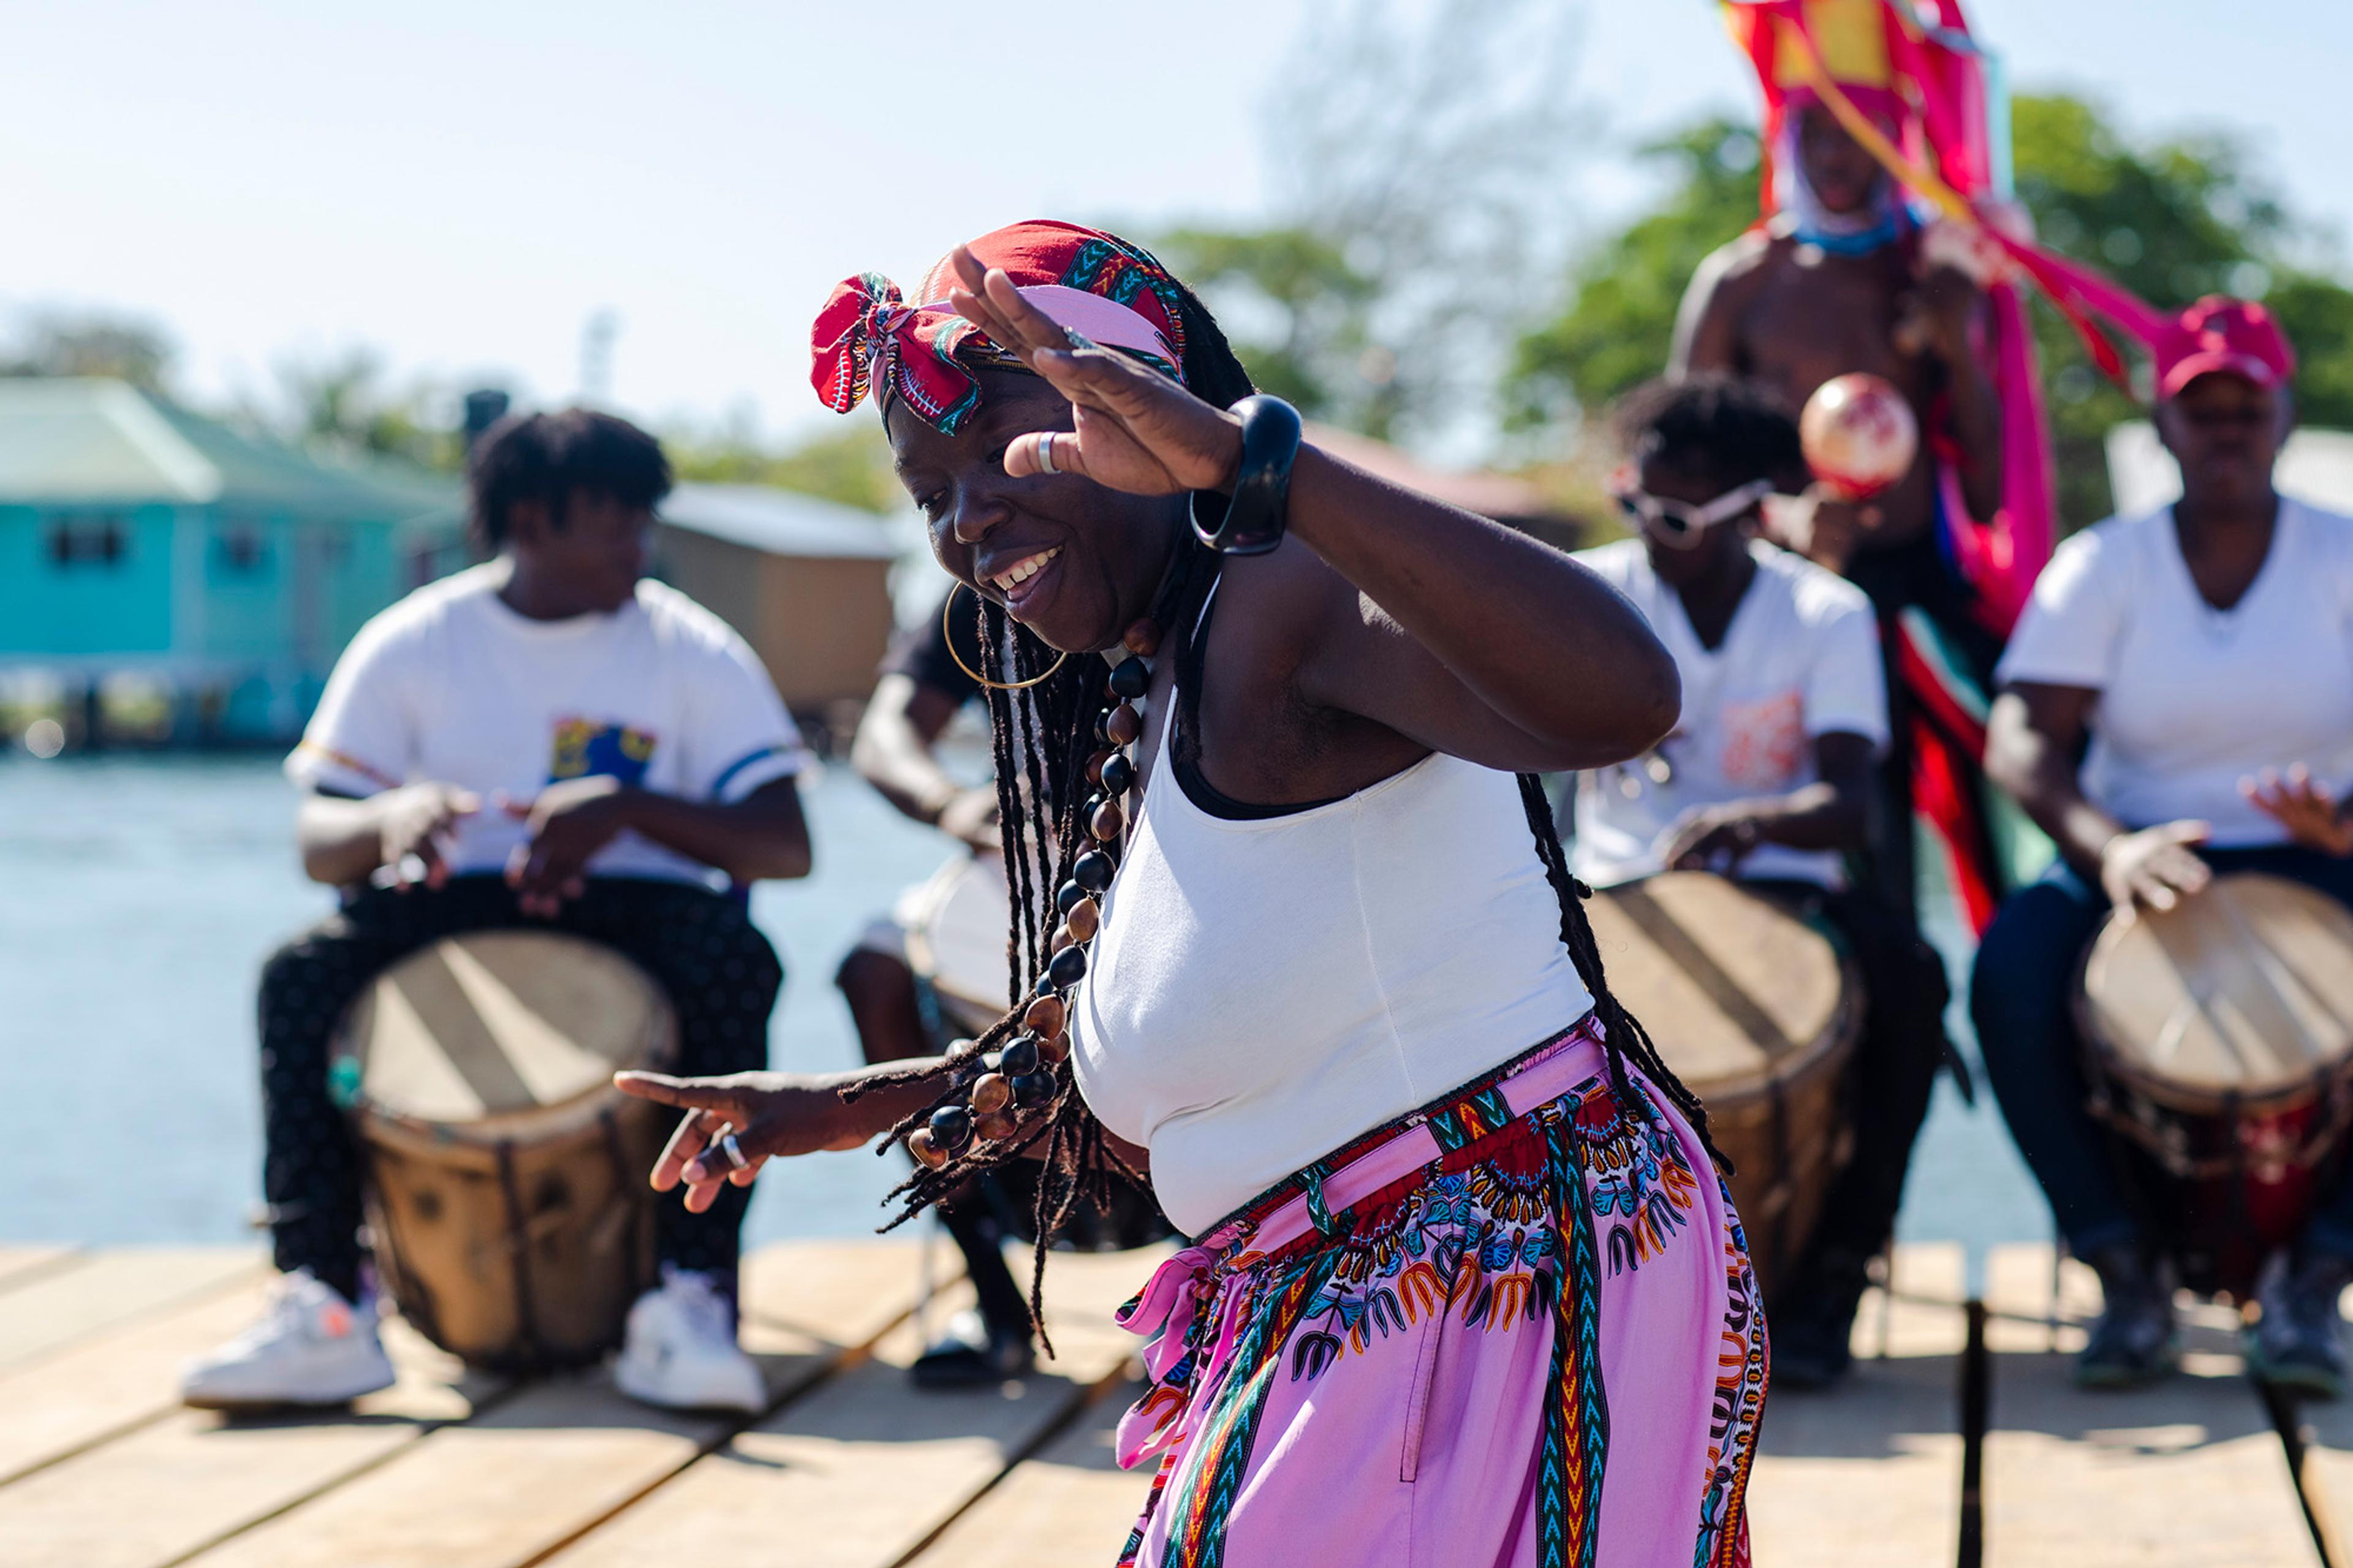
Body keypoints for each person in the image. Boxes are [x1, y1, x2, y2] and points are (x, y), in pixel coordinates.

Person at [617, 220, 1766, 1566]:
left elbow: (1623, 697)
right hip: (1379, 1293)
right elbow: (1234, 1060)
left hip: (1478, 1296)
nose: (966, 518)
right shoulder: (1157, 674)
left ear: (1145, 415)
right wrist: (848, 1105)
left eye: (1007, 451)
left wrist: (1252, 462)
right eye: (931, 495)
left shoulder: (1284, 592)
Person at [180, 409, 813, 1415]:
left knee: (735, 959)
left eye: (643, 522)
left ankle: (689, 1297)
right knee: (296, 978)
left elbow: (785, 845)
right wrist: (392, 817)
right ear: (531, 521)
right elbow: (318, 840)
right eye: (615, 524)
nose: (639, 548)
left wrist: (626, 811)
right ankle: (326, 1303)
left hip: (638, 904)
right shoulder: (418, 641)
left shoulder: (690, 648)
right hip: (452, 898)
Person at [1972, 298, 2353, 1394]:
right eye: (2203, 410)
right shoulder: (2104, 565)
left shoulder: (2338, 554)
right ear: (2164, 423)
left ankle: (2320, 1275)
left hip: (2316, 850)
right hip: (2137, 855)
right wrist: (2110, 853)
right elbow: (2022, 740)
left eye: (2248, 408)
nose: (2226, 430)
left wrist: (2346, 825)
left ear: (2283, 417)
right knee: (2009, 977)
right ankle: (2121, 1270)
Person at [1571, 377, 1953, 1388]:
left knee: (1913, 986)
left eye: (1678, 517)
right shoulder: (1585, 592)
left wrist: (1752, 825)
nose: (1652, 533)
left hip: (1787, 888)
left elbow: (1852, 804)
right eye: (1639, 506)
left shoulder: (1824, 612)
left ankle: (1835, 1277)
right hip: (1616, 894)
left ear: (1749, 510)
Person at [1675, 85, 2012, 931]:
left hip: (1923, 585)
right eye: (1818, 133)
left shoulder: (1934, 268)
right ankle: (1882, 996)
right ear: (1787, 140)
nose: (1837, 155)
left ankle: (2035, 974)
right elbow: (1684, 466)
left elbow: (1990, 491)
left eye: (1860, 133)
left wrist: (1954, 337)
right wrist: (1786, 520)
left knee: (2025, 763)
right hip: (1795, 593)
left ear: (1894, 143)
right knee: (1866, 841)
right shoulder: (1742, 281)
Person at [836, 594, 1036, 1384]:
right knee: (873, 969)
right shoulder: (987, 587)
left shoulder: (1206, 564)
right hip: (1012, 868)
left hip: (1172, 877)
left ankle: (1210, 1292)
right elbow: (884, 736)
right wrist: (950, 802)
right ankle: (995, 1297)